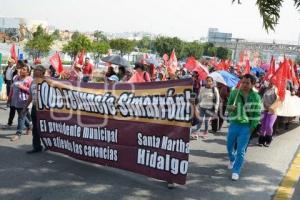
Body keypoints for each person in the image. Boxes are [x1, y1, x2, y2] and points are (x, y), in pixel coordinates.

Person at [226, 74, 262, 181]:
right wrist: (230, 108)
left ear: (252, 85)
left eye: (247, 83)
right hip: (234, 124)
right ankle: (232, 159)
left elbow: (256, 114)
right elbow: (227, 106)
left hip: (246, 127)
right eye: (243, 82)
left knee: (241, 150)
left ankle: (236, 171)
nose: (244, 85)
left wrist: (251, 128)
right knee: (229, 147)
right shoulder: (234, 93)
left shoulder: (256, 97)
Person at [23, 64, 46, 153]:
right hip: (35, 108)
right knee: (35, 128)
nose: (35, 71)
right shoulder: (33, 82)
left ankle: (49, 144)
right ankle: (37, 147)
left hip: (45, 109)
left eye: (38, 69)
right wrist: (25, 107)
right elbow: (30, 96)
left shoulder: (47, 81)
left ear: (42, 72)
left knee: (46, 128)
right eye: (35, 69)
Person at [8, 64, 33, 141]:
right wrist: (9, 98)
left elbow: (32, 91)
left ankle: (18, 134)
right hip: (16, 101)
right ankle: (29, 126)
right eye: (21, 69)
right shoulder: (16, 77)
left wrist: (23, 87)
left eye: (24, 69)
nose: (22, 70)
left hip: (25, 101)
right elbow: (12, 88)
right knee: (22, 116)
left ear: (28, 72)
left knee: (21, 117)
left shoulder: (30, 79)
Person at [258, 81, 280, 147]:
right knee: (263, 126)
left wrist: (271, 107)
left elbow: (279, 101)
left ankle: (268, 140)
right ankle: (261, 140)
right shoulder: (264, 88)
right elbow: (259, 97)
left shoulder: (276, 90)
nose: (270, 83)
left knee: (269, 126)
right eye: (269, 82)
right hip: (264, 109)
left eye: (272, 82)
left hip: (272, 111)